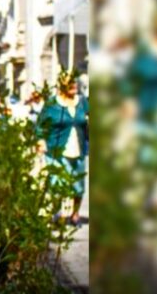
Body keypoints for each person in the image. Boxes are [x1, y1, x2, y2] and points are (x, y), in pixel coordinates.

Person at [37, 70, 89, 226]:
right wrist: (40, 141)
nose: (74, 86)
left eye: (75, 83)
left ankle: (75, 214)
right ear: (62, 85)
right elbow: (40, 124)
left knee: (78, 185)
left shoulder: (82, 101)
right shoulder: (52, 103)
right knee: (56, 183)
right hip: (56, 150)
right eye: (70, 83)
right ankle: (56, 213)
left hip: (79, 149)